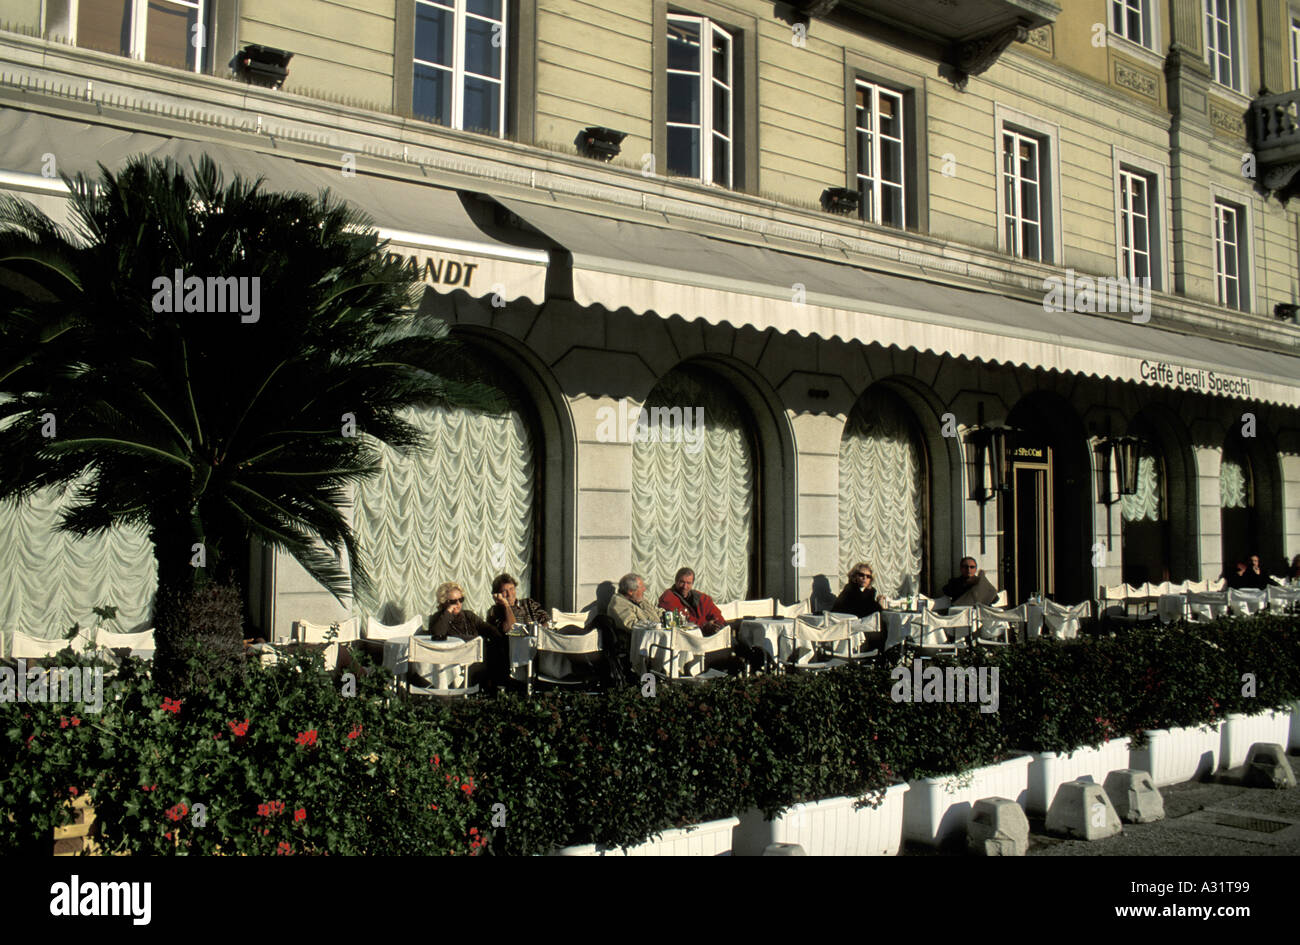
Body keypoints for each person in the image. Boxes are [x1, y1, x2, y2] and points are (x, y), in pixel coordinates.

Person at [428, 581, 503, 691]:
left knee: (497, 647)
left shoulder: (468, 615)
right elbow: (438, 633)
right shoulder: (439, 618)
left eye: (461, 600)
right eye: (453, 601)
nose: (458, 604)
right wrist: (448, 611)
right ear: (444, 602)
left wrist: (498, 637)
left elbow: (487, 628)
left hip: (476, 655)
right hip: (454, 659)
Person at [658, 567, 728, 635]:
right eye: (682, 582)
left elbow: (715, 613)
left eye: (688, 583)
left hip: (705, 634)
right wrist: (704, 625)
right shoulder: (668, 597)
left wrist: (718, 623)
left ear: (692, 584)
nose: (685, 586)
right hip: (686, 637)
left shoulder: (701, 597)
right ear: (676, 581)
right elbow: (683, 619)